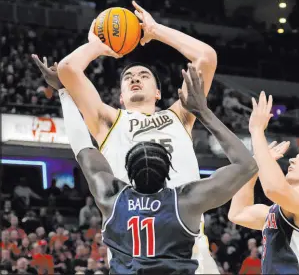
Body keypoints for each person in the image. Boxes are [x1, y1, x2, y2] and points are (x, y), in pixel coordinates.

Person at [32, 0, 218, 271]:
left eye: (144, 75)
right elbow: (69, 69)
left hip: (189, 244)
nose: (135, 78)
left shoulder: (180, 115)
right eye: (128, 77)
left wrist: (155, 31)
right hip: (131, 250)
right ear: (120, 96)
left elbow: (207, 58)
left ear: (158, 93)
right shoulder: (108, 120)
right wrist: (98, 45)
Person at [58, 65, 258, 274]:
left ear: (126, 173)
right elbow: (247, 165)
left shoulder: (112, 197)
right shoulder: (185, 201)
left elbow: (82, 147)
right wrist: (203, 112)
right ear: (169, 170)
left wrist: (63, 92)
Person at [228, 92, 299, 274]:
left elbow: (273, 189)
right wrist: (255, 167)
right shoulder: (278, 211)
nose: (291, 161)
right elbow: (238, 213)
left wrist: (257, 132)